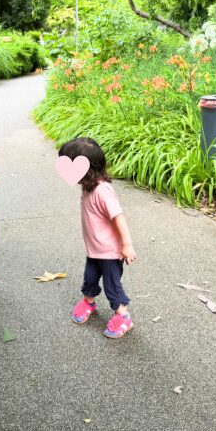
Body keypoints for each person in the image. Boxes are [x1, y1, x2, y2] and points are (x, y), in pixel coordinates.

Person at [61, 137, 137, 339]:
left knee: (113, 286)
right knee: (90, 279)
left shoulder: (103, 191)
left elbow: (118, 217)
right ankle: (89, 302)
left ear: (86, 169)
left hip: (110, 252)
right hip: (94, 248)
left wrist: (127, 244)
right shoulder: (87, 186)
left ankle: (123, 317)